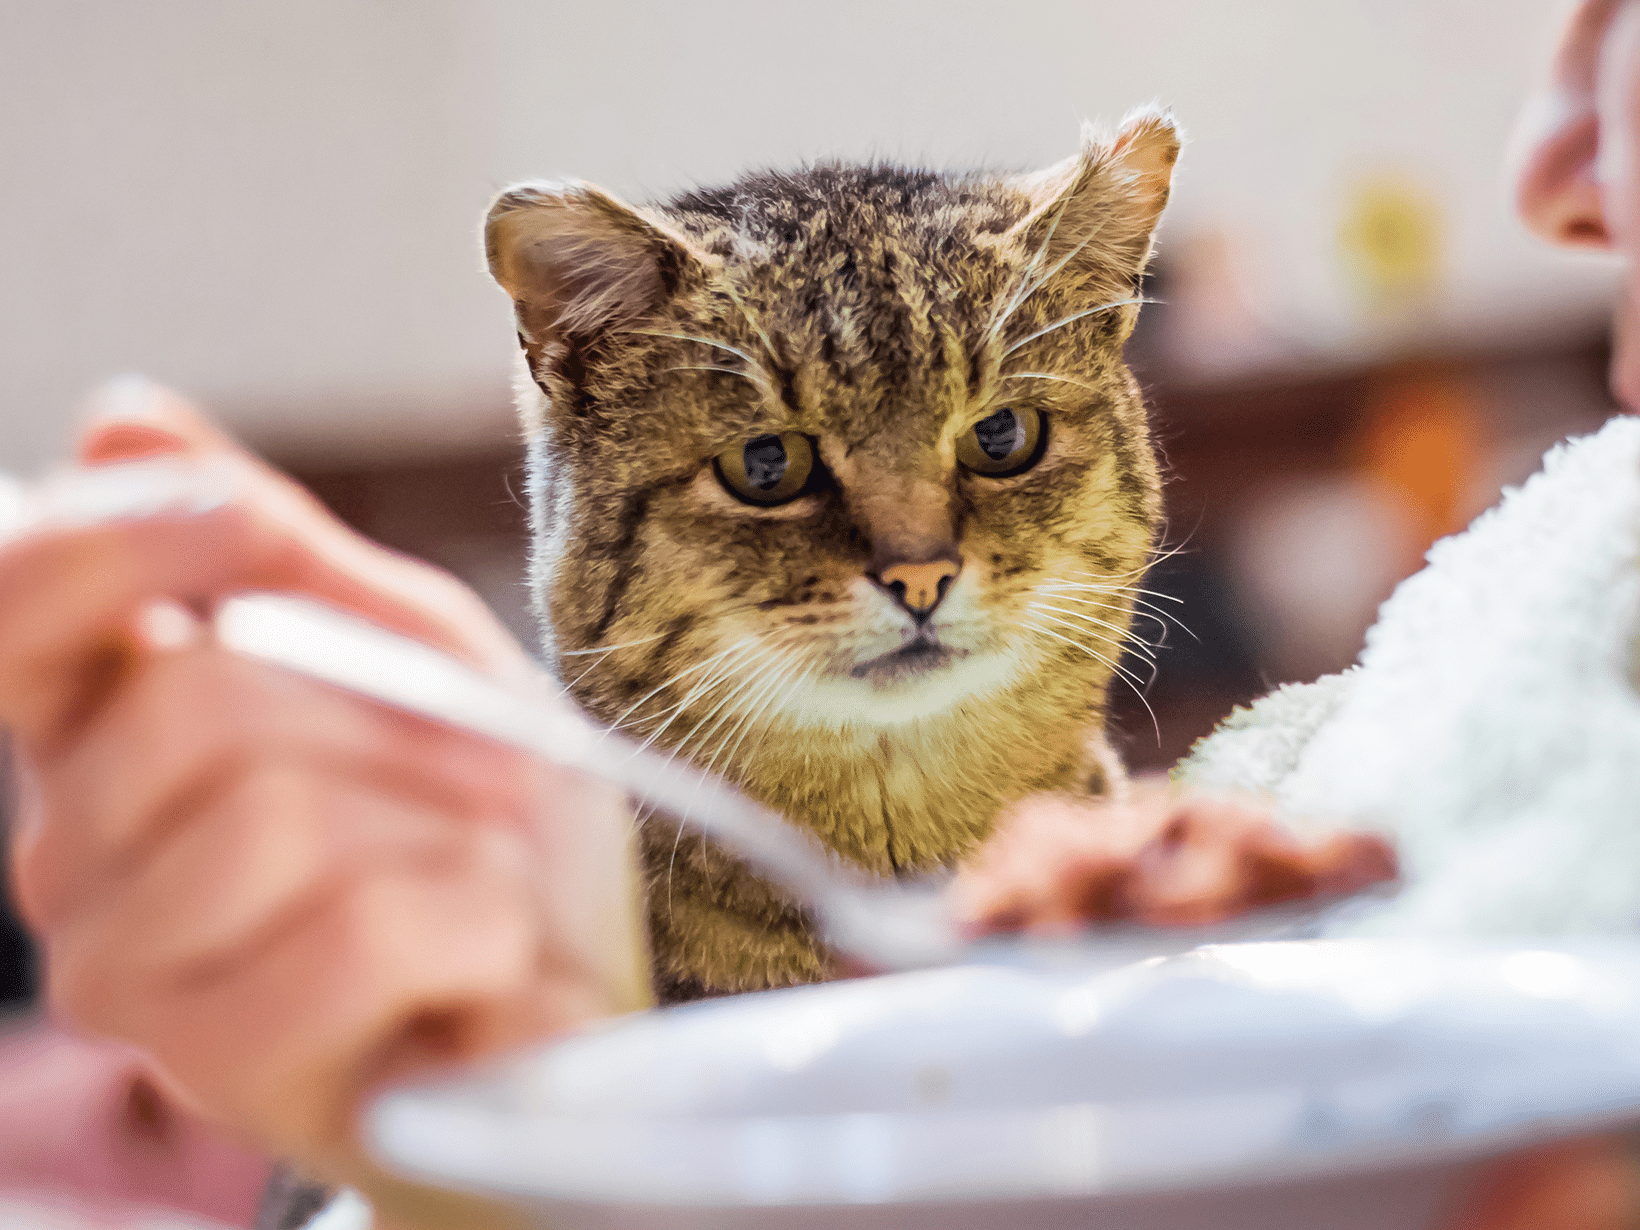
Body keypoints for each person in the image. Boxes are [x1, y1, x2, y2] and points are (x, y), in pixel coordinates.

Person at [4, 0, 1640, 1226]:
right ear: (573, 380)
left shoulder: (1241, 824)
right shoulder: (528, 940)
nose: (914, 556)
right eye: (775, 466)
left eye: (1001, 446)